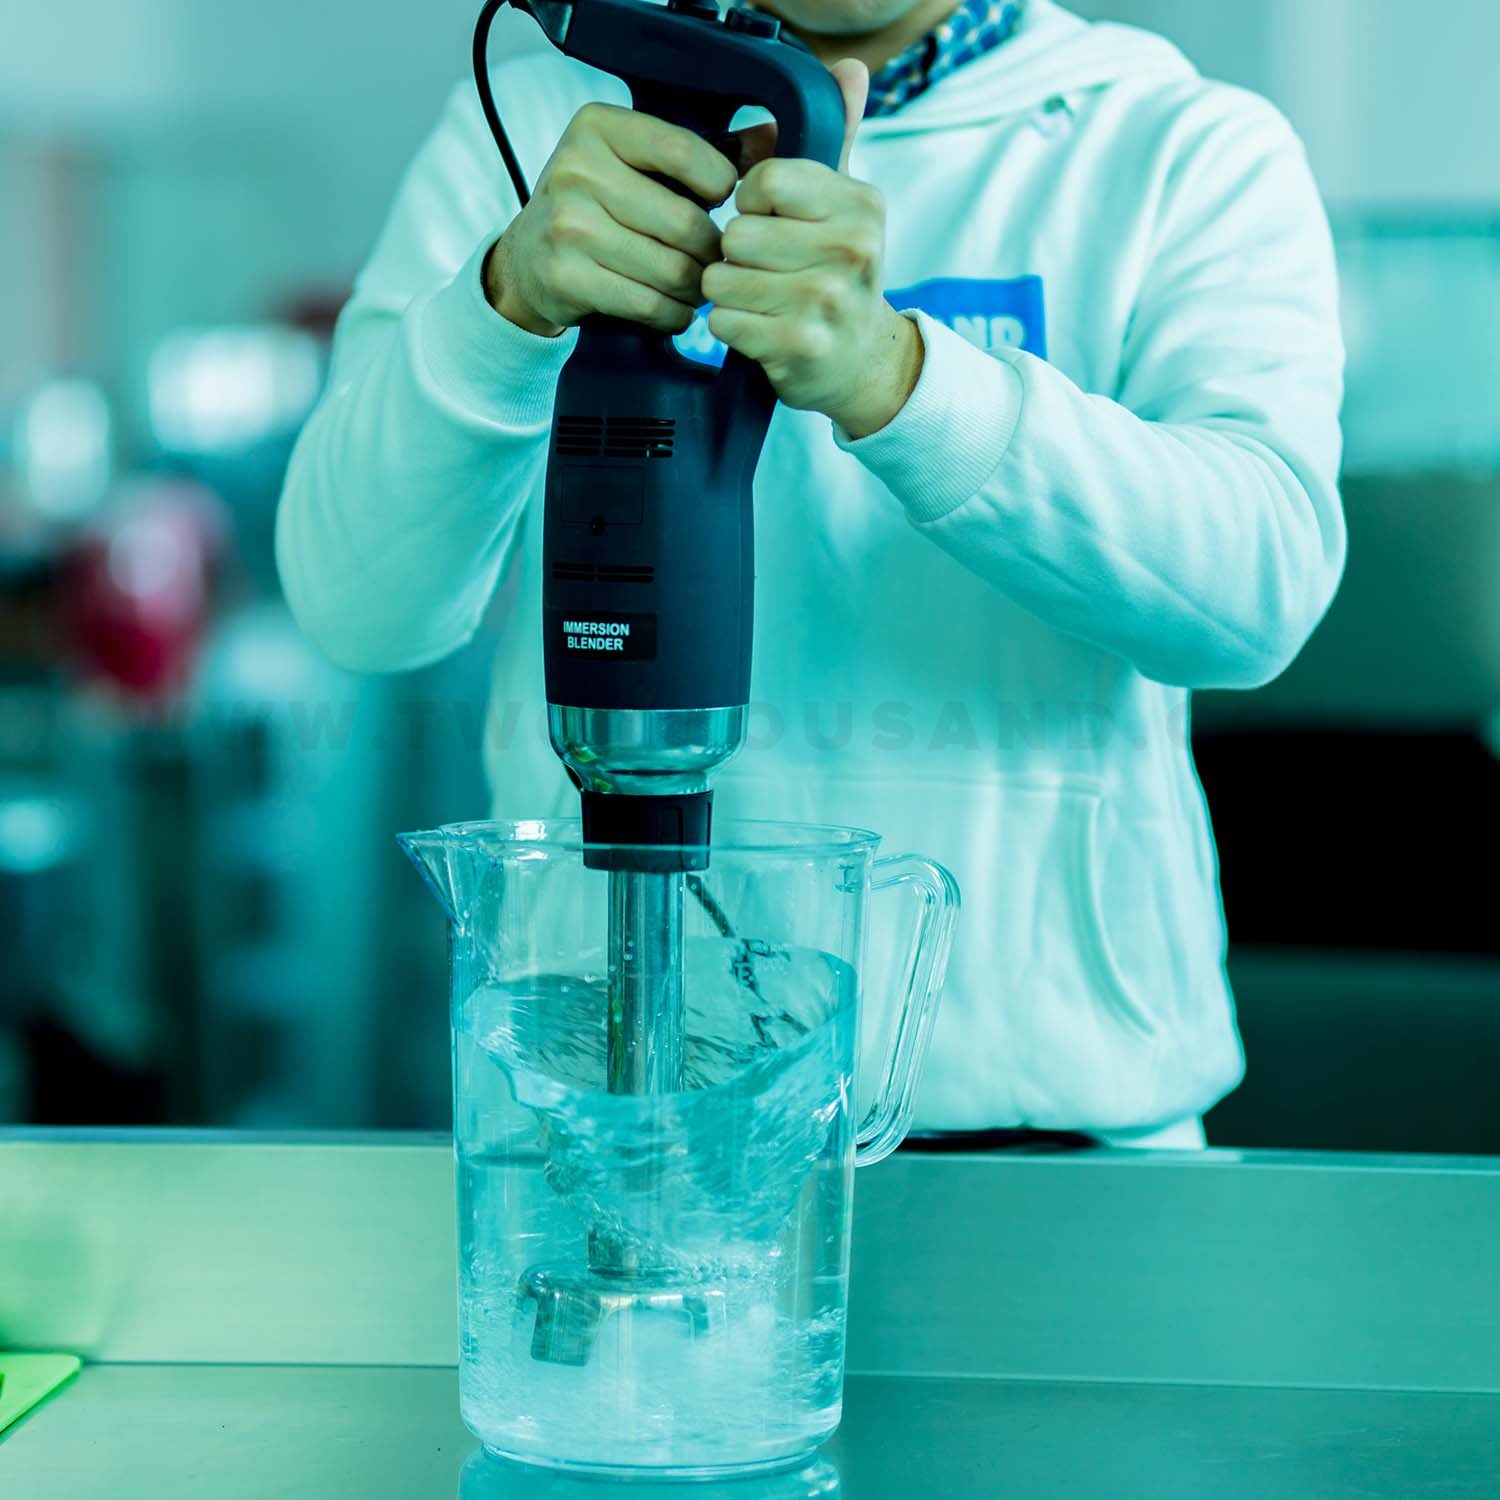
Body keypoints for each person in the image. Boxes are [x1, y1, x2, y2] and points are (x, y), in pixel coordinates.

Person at [276, 0, 1345, 1148]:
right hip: (606, 1109)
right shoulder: (538, 134)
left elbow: (1258, 595)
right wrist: (504, 308)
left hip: (1064, 1132)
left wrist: (901, 380)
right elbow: (358, 605)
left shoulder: (1174, 143)